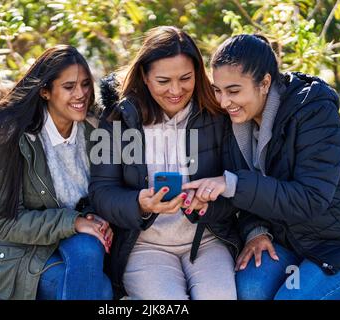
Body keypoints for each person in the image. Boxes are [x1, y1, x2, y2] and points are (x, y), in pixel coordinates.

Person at [183, 34, 340, 300]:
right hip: (291, 240)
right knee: (250, 289)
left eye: (234, 91)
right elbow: (247, 198)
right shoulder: (237, 122)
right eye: (218, 90)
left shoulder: (314, 112)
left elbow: (311, 199)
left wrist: (233, 184)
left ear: (265, 83)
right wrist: (254, 230)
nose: (224, 102)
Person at [89, 26, 241, 300]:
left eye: (185, 78)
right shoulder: (116, 119)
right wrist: (139, 204)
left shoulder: (218, 115)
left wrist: (208, 202)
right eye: (163, 81)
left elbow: (238, 183)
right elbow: (101, 192)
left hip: (208, 239)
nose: (175, 90)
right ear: (145, 77)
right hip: (145, 245)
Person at [0, 45, 114, 300]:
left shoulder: (95, 126)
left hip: (80, 240)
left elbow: (108, 187)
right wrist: (72, 222)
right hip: (24, 250)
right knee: (101, 290)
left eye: (86, 84)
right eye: (69, 87)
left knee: (89, 250)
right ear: (45, 91)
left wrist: (100, 220)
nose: (81, 94)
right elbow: (3, 222)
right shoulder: (8, 132)